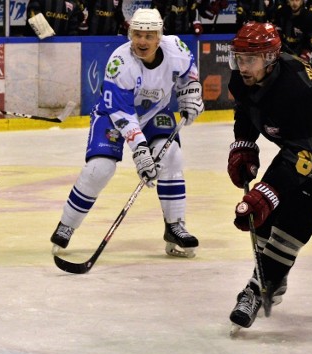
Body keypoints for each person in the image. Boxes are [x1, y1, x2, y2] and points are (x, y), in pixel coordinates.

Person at [50, 8, 204, 258]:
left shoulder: (176, 47)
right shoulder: (120, 62)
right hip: (113, 116)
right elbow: (122, 114)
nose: (142, 41)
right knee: (100, 168)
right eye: (137, 34)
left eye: (149, 35)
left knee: (172, 156)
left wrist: (192, 91)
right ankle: (67, 225)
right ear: (130, 34)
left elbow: (189, 72)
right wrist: (141, 151)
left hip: (154, 112)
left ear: (159, 36)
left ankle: (175, 225)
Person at [226, 22, 312, 329]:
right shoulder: (242, 78)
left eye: (250, 59)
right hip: (302, 146)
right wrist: (244, 145)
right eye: (239, 58)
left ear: (271, 57)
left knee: (295, 216)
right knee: (264, 217)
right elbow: (246, 110)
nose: (242, 66)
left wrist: (267, 193)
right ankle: (269, 277)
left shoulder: (296, 89)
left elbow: (304, 155)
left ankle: (259, 288)